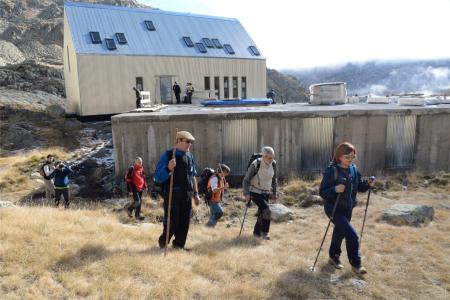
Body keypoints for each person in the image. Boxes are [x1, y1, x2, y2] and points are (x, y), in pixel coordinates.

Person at [319, 142, 375, 275]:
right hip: (334, 209)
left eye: (352, 157)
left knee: (340, 232)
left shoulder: (353, 169)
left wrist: (367, 184)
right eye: (347, 157)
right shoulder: (332, 170)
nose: (350, 160)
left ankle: (334, 257)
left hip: (348, 209)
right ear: (339, 157)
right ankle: (356, 264)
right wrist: (334, 189)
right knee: (352, 235)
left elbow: (359, 186)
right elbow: (323, 192)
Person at [154, 130, 201, 250]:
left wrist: (196, 194)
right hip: (172, 196)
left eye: (191, 142)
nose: (189, 144)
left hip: (187, 196)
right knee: (172, 223)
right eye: (187, 141)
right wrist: (168, 168)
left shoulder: (190, 156)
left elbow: (193, 176)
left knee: (185, 223)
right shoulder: (168, 155)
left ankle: (179, 246)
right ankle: (163, 243)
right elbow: (157, 177)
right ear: (178, 141)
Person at [242, 146, 278, 240]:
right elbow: (246, 181)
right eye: (269, 158)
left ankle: (256, 234)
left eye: (273, 157)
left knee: (262, 213)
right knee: (267, 211)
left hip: (266, 192)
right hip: (254, 192)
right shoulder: (256, 164)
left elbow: (274, 180)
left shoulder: (273, 164)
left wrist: (274, 192)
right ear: (263, 156)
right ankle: (265, 233)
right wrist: (247, 194)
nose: (271, 160)